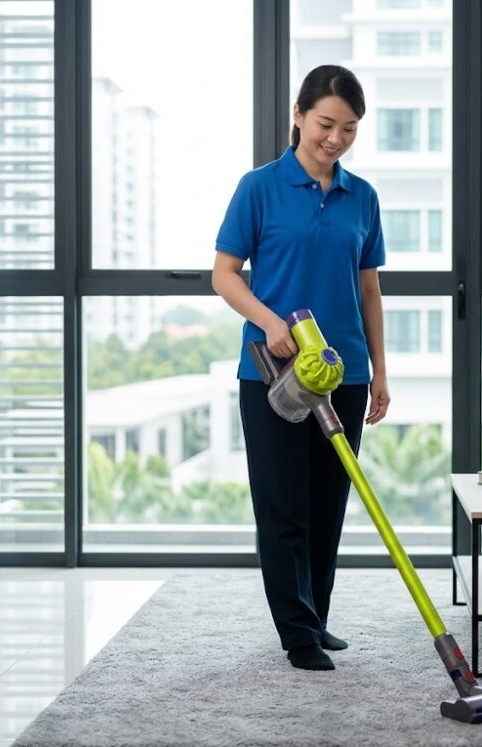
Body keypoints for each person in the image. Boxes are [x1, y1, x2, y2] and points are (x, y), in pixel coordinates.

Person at [212, 65, 389, 671]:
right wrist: (269, 320)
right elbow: (224, 273)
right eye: (324, 124)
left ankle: (316, 618)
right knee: (283, 505)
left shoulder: (361, 197)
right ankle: (297, 634)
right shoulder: (258, 188)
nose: (335, 139)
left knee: (327, 502)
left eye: (348, 128)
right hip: (273, 375)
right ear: (297, 115)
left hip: (343, 373)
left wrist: (380, 373)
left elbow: (369, 291)